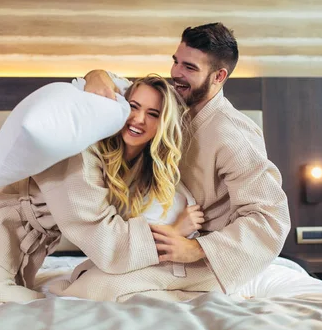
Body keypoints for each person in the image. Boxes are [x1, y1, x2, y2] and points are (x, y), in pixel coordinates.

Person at [0, 74, 197, 308]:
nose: (138, 119)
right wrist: (173, 233)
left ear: (164, 123)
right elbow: (106, 241)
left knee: (9, 296)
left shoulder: (136, 165)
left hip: (31, 244)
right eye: (133, 106)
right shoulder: (82, 155)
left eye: (153, 113)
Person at [56, 23, 291, 301]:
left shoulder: (233, 134)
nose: (176, 73)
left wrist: (198, 250)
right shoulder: (170, 104)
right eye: (176, 62)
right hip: (161, 235)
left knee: (91, 290)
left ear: (219, 76)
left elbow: (270, 217)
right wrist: (95, 74)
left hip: (199, 257)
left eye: (190, 68)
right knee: (83, 279)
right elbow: (117, 87)